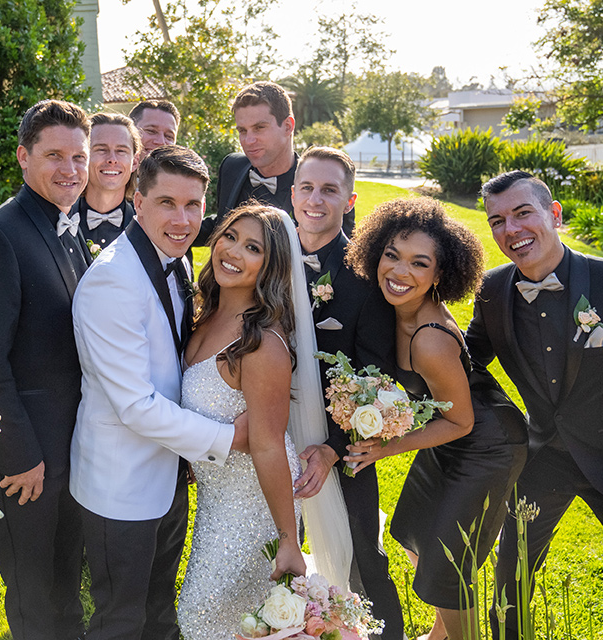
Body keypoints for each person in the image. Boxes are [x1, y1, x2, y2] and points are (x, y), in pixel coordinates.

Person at [69, 146, 249, 640]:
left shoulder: (177, 262)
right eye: (167, 202)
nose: (182, 218)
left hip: (169, 471)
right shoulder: (112, 281)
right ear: (137, 200)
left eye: (193, 205)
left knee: (159, 608)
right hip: (120, 483)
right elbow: (134, 405)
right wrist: (228, 438)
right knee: (120, 619)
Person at [346, 198, 528, 640]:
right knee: (412, 530)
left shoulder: (430, 339)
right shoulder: (390, 308)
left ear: (439, 276)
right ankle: (437, 637)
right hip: (450, 436)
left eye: (418, 263)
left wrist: (382, 447)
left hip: (486, 444)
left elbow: (461, 421)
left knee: (448, 569)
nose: (399, 272)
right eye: (392, 255)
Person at [467, 171, 603, 640]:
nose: (512, 230)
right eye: (498, 220)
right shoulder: (492, 291)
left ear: (554, 214)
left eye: (524, 213)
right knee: (511, 580)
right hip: (544, 458)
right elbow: (467, 362)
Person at [176, 203, 353, 639]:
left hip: (254, 504)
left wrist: (288, 540)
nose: (232, 251)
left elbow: (270, 444)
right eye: (230, 236)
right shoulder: (204, 314)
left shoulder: (261, 343)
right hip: (216, 499)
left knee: (202, 614)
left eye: (252, 247)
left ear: (271, 266)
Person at [0, 99, 92, 640]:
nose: (69, 169)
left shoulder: (66, 228)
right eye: (54, 155)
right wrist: (19, 455)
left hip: (73, 444)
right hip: (27, 454)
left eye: (77, 157)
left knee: (64, 578)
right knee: (33, 590)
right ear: (23, 157)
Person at [290, 146, 404, 639]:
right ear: (292, 194)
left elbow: (377, 377)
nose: (316, 199)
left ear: (349, 200)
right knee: (276, 551)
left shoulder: (366, 276)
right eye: (307, 187)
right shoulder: (267, 256)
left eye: (329, 190)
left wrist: (334, 449)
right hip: (272, 434)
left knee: (361, 558)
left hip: (343, 442)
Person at [196, 81, 356, 246]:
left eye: (259, 128)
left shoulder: (325, 187)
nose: (248, 140)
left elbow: (345, 256)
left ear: (288, 126)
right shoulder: (232, 167)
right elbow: (221, 225)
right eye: (242, 131)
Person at [74, 112, 141, 251]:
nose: (112, 159)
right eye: (101, 149)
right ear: (83, 157)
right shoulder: (61, 221)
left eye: (121, 151)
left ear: (135, 162)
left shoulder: (147, 225)